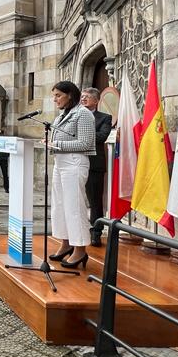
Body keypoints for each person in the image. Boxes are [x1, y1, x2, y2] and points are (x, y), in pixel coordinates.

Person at [45, 81, 96, 270]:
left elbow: (85, 143)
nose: (55, 99)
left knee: (74, 207)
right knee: (59, 206)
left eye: (58, 95)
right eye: (54, 95)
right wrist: (50, 143)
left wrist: (57, 145)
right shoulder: (61, 115)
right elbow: (58, 139)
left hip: (75, 162)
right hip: (60, 163)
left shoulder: (83, 114)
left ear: (70, 95)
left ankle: (80, 249)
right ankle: (66, 243)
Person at [80, 88, 114, 247]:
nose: (83, 99)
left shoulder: (105, 118)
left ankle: (96, 233)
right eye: (82, 96)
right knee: (77, 198)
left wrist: (83, 134)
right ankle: (79, 230)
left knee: (95, 200)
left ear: (96, 100)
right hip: (76, 162)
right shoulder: (75, 116)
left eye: (87, 97)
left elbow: (102, 137)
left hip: (94, 165)